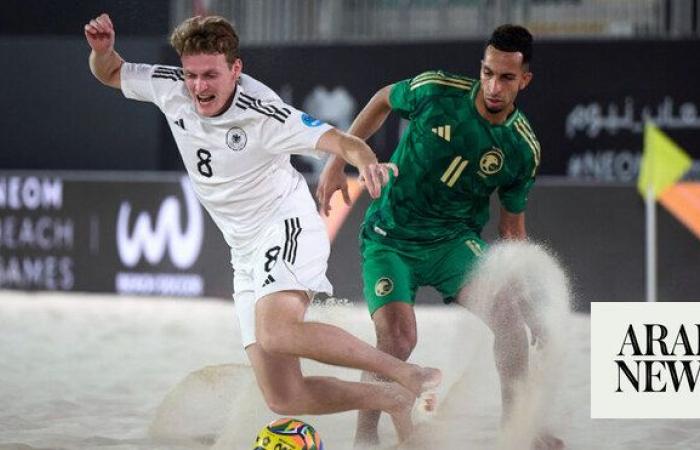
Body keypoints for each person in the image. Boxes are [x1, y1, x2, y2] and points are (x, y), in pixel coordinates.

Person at [84, 13, 442, 442]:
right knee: (284, 397)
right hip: (243, 251)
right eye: (191, 75)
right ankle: (390, 398)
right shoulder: (171, 85)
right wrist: (101, 51)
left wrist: (365, 162)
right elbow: (111, 73)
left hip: (285, 224)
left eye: (210, 75)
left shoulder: (264, 112)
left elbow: (342, 141)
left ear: (236, 69)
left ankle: (407, 374)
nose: (198, 87)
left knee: (277, 332)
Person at [317, 25, 564, 449]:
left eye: (506, 78)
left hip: (453, 242)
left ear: (525, 80)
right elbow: (381, 100)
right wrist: (339, 161)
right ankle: (365, 438)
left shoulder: (522, 147)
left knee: (509, 320)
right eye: (487, 72)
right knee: (397, 339)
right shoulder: (436, 90)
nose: (493, 86)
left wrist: (526, 301)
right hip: (390, 236)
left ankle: (517, 431)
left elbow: (511, 232)